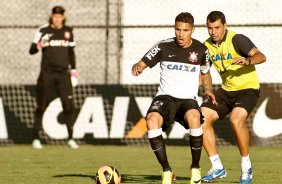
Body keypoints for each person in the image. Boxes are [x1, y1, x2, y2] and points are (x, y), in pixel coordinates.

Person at [131, 12, 216, 184]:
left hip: (187, 100)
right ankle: (166, 170)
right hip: (165, 97)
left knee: (194, 118)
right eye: (178, 29)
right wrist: (137, 67)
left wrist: (208, 90)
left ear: (192, 30)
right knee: (151, 120)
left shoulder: (201, 50)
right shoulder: (163, 46)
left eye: (185, 30)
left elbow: (205, 74)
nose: (181, 34)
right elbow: (142, 63)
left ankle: (195, 168)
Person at [201, 11, 266, 183]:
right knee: (199, 118)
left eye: (217, 27)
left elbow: (261, 56)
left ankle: (246, 167)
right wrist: (208, 89)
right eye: (210, 28)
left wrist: (247, 61)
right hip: (225, 91)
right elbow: (205, 72)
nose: (213, 31)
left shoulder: (237, 39)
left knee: (236, 120)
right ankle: (217, 167)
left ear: (225, 26)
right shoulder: (205, 46)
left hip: (248, 89)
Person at [29, 6, 79, 149]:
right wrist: (40, 44)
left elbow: (71, 53)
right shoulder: (43, 30)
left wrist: (74, 73)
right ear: (52, 17)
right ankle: (36, 138)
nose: (57, 19)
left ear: (63, 17)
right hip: (47, 74)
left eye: (60, 16)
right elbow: (31, 51)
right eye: (55, 16)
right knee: (41, 105)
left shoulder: (68, 31)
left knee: (68, 105)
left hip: (64, 74)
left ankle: (71, 138)